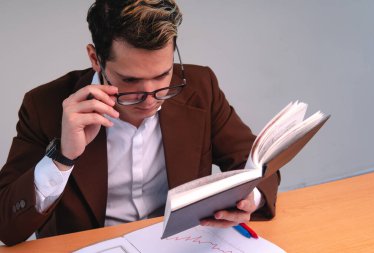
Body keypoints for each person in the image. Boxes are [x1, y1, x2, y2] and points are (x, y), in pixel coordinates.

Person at [0, 0, 280, 246]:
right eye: (130, 81)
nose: (150, 98)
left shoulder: (201, 87)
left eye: (162, 76)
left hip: (183, 245)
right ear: (95, 58)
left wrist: (248, 200)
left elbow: (257, 165)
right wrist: (62, 156)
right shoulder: (44, 106)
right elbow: (7, 226)